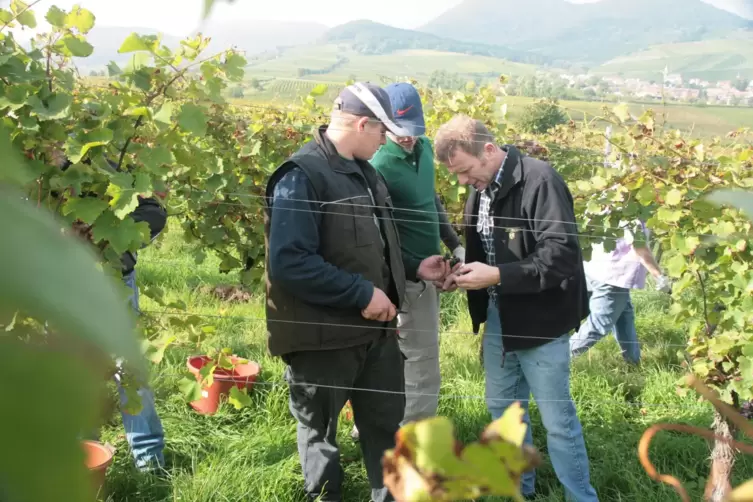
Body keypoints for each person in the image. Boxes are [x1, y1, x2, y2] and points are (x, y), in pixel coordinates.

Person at [263, 82, 451, 502]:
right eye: (381, 131)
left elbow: (376, 245)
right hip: (322, 339)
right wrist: (362, 295)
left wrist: (413, 267)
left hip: (376, 337)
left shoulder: (367, 174)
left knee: (384, 428)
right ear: (362, 124)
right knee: (321, 437)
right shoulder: (301, 176)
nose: (387, 139)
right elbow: (290, 261)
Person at [433, 114, 599, 502]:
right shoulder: (482, 187)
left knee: (557, 421)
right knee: (504, 412)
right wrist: (459, 273)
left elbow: (561, 255)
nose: (462, 181)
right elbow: (487, 252)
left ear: (488, 150)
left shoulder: (540, 180)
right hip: (498, 318)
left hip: (541, 322)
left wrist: (497, 276)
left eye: (465, 171)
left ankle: (581, 497)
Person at [58, 154, 167, 473]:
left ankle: (149, 461)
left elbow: (155, 213)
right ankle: (81, 451)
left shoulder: (112, 165)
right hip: (59, 279)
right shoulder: (41, 173)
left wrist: (108, 229)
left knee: (127, 366)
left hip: (114, 278)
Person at [366, 82, 464, 431]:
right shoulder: (378, 166)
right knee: (420, 360)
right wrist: (413, 268)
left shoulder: (423, 150)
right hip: (403, 277)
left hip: (429, 272)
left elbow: (431, 202)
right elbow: (378, 233)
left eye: (414, 131)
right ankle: (414, 436)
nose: (408, 138)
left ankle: (381, 426)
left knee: (408, 355)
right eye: (398, 131)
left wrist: (454, 244)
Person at [569, 219, 671, 365]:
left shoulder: (610, 201)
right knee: (600, 323)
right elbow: (640, 247)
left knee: (624, 315)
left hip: (596, 269)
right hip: (612, 277)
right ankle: (557, 357)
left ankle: (633, 362)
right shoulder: (632, 213)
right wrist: (659, 277)